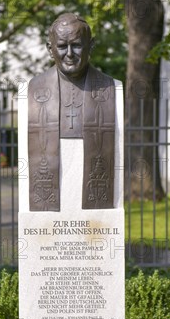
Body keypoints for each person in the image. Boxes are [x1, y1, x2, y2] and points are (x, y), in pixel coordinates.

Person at [28, 13, 116, 211]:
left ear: (90, 46)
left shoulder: (109, 88)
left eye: (76, 45)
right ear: (50, 49)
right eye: (61, 46)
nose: (69, 53)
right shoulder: (34, 89)